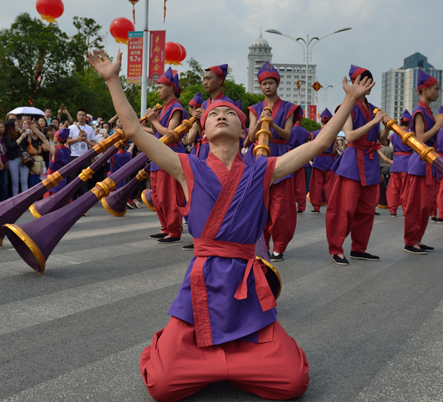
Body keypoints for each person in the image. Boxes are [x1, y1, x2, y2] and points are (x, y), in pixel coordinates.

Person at [87, 48, 374, 402]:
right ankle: (214, 362)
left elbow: (322, 142)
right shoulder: (185, 167)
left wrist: (349, 99)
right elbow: (132, 129)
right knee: (162, 386)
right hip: (202, 280)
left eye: (230, 114)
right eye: (214, 114)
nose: (221, 116)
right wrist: (113, 80)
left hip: (246, 283)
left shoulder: (263, 170)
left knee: (292, 383)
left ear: (245, 131)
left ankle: (224, 366)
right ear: (203, 131)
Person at [325, 65, 389, 265]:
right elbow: (350, 136)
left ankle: (359, 249)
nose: (366, 84)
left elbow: (382, 140)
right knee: (344, 209)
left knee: (367, 210)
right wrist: (375, 121)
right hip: (353, 161)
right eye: (361, 80)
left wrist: (385, 126)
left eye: (369, 81)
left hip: (370, 162)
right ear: (353, 83)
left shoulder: (373, 109)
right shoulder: (347, 106)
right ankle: (336, 249)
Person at [247, 61, 300, 262]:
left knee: (280, 207)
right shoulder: (254, 109)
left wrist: (272, 125)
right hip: (258, 156)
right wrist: (261, 120)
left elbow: (287, 135)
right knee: (260, 204)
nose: (267, 86)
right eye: (263, 83)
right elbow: (251, 136)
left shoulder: (289, 108)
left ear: (277, 84)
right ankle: (262, 245)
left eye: (271, 83)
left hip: (279, 155)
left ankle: (279, 246)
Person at [404, 69, 443, 254]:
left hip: (428, 162)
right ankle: (409, 241)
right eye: (436, 89)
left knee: (425, 205)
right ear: (425, 90)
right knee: (416, 205)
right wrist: (438, 126)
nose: (438, 92)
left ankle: (417, 239)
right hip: (419, 162)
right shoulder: (419, 111)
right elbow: (420, 139)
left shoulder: (427, 110)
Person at [144, 68, 188, 244]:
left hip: (170, 154)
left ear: (171, 88)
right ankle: (165, 227)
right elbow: (157, 132)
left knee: (169, 195)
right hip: (158, 154)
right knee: (157, 195)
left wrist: (154, 120)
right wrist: (152, 121)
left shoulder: (176, 108)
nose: (158, 90)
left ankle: (174, 230)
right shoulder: (163, 108)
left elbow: (171, 133)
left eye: (160, 87)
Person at [189, 64, 236, 161]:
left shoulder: (227, 103)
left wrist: (207, 115)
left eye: (208, 79)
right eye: (204, 79)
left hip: (219, 149)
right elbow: (202, 133)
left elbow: (230, 132)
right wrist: (198, 120)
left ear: (219, 80)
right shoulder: (205, 103)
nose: (205, 83)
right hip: (204, 149)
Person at [307, 109, 335, 214]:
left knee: (316, 185)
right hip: (329, 160)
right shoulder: (333, 134)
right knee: (330, 186)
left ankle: (316, 207)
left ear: (321, 120)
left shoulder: (314, 134)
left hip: (318, 160)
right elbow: (333, 150)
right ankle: (330, 205)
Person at [386, 110, 412, 217]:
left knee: (393, 188)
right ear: (410, 123)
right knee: (406, 189)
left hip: (396, 163)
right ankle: (406, 210)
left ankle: (392, 210)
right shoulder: (410, 135)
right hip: (407, 163)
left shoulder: (393, 136)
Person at [66, 108, 96, 199]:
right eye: (79, 115)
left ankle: (82, 199)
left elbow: (92, 144)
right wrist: (77, 139)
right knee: (72, 177)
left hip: (85, 156)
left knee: (84, 178)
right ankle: (71, 198)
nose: (81, 117)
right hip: (73, 155)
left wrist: (85, 140)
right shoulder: (71, 128)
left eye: (83, 115)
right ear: (77, 116)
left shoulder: (89, 129)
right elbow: (67, 141)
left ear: (86, 117)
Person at [287, 108, 311, 214]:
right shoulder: (306, 132)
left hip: (288, 158)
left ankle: (290, 206)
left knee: (289, 184)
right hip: (301, 158)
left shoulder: (288, 130)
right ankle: (301, 206)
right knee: (300, 185)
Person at [41, 128, 71, 199]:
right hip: (62, 179)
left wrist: (32, 126)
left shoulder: (55, 150)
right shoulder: (68, 150)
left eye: (54, 136)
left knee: (49, 204)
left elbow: (43, 138)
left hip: (51, 180)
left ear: (57, 139)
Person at [3, 119, 29, 196]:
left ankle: (26, 199)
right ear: (11, 127)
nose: (17, 126)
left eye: (18, 125)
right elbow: (12, 146)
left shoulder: (20, 134)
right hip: (13, 159)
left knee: (24, 181)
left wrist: (25, 135)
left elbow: (26, 144)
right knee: (15, 181)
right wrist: (20, 138)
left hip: (23, 159)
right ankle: (15, 200)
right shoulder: (6, 136)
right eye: (16, 125)